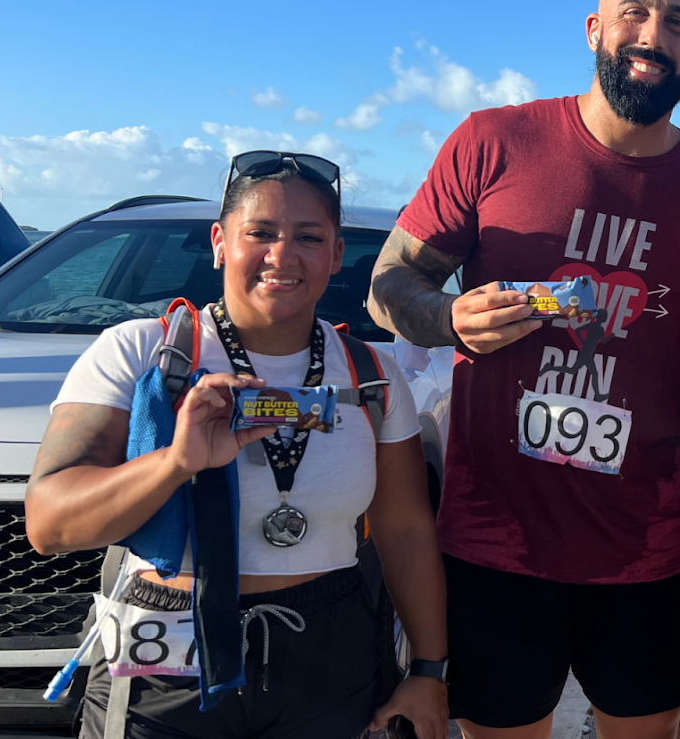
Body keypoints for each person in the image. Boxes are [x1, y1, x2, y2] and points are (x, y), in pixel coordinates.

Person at [367, 0, 680, 739]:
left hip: (647, 548)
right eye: (634, 12)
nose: (652, 36)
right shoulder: (494, 141)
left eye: (678, 23)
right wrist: (450, 319)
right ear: (594, 28)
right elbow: (390, 287)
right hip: (495, 541)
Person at [24, 151, 448, 739]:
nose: (283, 255)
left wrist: (428, 669)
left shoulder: (372, 376)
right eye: (261, 233)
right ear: (221, 242)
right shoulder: (139, 352)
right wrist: (174, 464)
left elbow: (404, 531)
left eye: (308, 236)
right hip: (167, 648)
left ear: (336, 254)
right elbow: (49, 526)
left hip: (327, 649)